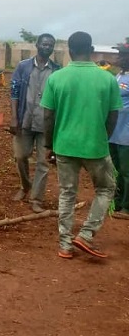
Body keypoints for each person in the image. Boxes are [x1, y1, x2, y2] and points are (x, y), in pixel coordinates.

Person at [40, 31, 121, 259]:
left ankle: (65, 245)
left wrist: (49, 145)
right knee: (106, 189)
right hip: (95, 146)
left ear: (69, 51)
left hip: (64, 145)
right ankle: (85, 235)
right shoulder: (107, 79)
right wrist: (103, 136)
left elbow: (48, 116)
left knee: (67, 193)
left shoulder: (57, 78)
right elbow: (113, 115)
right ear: (92, 49)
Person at [8, 33, 60, 212]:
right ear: (37, 45)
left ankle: (36, 199)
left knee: (43, 163)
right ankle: (25, 186)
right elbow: (14, 92)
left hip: (46, 125)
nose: (47, 47)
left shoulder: (57, 70)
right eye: (44, 44)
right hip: (25, 120)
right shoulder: (23, 67)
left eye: (51, 45)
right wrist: (14, 117)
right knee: (20, 156)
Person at [109, 43, 129, 217]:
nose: (118, 58)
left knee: (126, 171)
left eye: (123, 55)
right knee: (115, 170)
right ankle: (117, 202)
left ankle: (126, 206)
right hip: (114, 133)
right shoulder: (118, 76)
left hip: (126, 134)